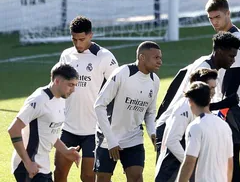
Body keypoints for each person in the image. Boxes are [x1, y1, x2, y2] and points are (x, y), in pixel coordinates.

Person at [155, 31, 240, 161]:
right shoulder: (203, 70)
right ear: (220, 51)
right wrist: (224, 104)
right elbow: (195, 103)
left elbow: (180, 75)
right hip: (174, 127)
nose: (233, 60)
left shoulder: (204, 62)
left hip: (177, 125)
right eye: (231, 56)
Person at [54, 16, 118, 182]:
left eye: (82, 39)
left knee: (88, 176)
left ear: (91, 35)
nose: (78, 44)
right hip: (68, 127)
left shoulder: (104, 57)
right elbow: (57, 86)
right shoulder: (67, 55)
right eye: (74, 39)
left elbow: (118, 88)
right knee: (59, 173)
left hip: (94, 130)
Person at [94, 41, 162, 182]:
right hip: (109, 138)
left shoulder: (155, 81)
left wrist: (152, 132)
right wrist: (111, 141)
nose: (160, 61)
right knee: (102, 179)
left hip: (133, 138)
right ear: (142, 57)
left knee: (137, 177)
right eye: (156, 57)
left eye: (160, 58)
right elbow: (99, 105)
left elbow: (150, 112)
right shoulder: (123, 73)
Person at [8, 63, 81, 182]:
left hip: (43, 167)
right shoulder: (39, 100)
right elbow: (13, 130)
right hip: (29, 167)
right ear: (57, 81)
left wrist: (65, 151)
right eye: (70, 85)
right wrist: (27, 163)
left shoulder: (61, 99)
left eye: (75, 85)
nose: (73, 90)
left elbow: (49, 132)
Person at [205, 0, 240, 181]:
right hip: (223, 106)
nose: (214, 22)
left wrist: (217, 110)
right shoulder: (224, 38)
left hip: (232, 108)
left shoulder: (236, 39)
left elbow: (233, 80)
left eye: (218, 17)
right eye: (211, 18)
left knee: (230, 162)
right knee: (222, 162)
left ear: (228, 14)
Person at [155, 68, 218, 182]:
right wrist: (190, 162)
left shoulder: (203, 107)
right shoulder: (184, 107)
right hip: (172, 167)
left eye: (214, 87)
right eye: (211, 88)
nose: (214, 92)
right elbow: (172, 141)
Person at [177, 82, 233, 182]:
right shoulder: (224, 125)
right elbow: (230, 162)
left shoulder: (195, 126)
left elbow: (189, 161)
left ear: (190, 102)